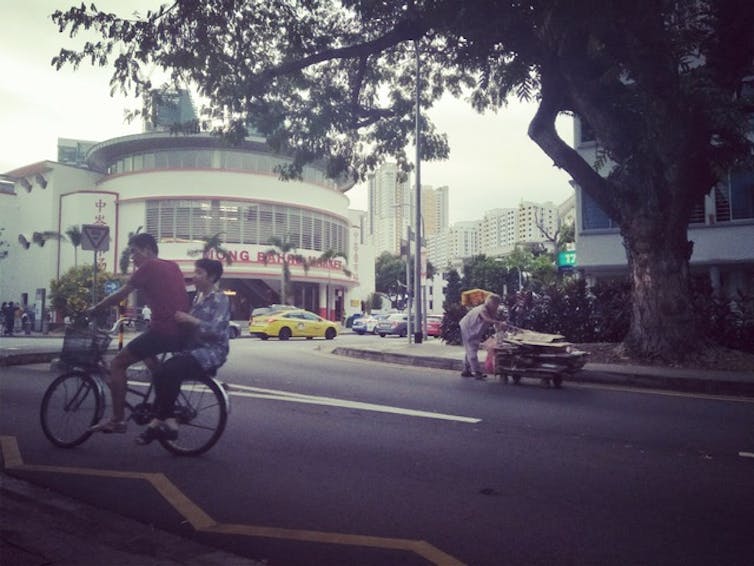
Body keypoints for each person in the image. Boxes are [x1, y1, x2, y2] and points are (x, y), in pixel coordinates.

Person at [88, 233, 189, 433]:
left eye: (134, 252)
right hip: (180, 331)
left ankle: (117, 420)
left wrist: (96, 308)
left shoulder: (149, 267)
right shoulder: (172, 266)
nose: (132, 257)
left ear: (147, 250)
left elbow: (122, 293)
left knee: (117, 363)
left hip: (163, 331)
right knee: (151, 360)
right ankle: (163, 405)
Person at [136, 258, 230, 445]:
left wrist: (191, 320)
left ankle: (163, 422)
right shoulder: (196, 297)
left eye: (199, 273)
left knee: (166, 371)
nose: (194, 277)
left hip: (210, 352)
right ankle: (161, 420)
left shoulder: (220, 299)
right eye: (194, 272)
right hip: (190, 349)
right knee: (159, 371)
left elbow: (217, 330)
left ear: (211, 277)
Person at [459, 293, 505, 380]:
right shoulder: (483, 309)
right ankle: (477, 372)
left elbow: (494, 321)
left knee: (469, 349)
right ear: (491, 303)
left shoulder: (491, 310)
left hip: (473, 329)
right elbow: (487, 319)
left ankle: (466, 370)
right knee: (472, 350)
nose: (497, 306)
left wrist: (500, 326)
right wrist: (498, 323)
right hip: (468, 328)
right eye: (496, 304)